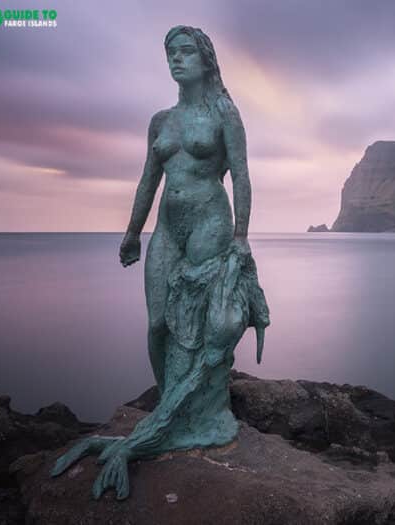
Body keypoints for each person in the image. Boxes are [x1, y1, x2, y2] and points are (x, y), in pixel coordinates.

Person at [50, 25, 269, 500]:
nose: (176, 59)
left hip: (210, 222)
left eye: (186, 51)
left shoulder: (224, 113)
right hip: (167, 229)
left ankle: (200, 416)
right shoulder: (160, 121)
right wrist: (132, 232)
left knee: (194, 328)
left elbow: (243, 178)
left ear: (207, 60)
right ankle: (173, 408)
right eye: (171, 52)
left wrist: (241, 237)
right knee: (156, 325)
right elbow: (148, 179)